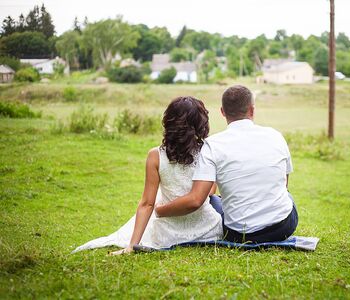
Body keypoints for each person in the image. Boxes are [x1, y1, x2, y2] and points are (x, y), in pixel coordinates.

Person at [72, 97, 222, 254]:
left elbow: (147, 204)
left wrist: (132, 245)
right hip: (208, 232)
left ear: (169, 122)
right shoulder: (209, 150)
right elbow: (209, 191)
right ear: (201, 123)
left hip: (168, 236)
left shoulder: (155, 155)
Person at [156, 85, 298, 243]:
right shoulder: (276, 136)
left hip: (238, 234)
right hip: (282, 227)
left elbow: (196, 200)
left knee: (214, 201)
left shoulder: (212, 145)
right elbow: (284, 184)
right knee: (287, 196)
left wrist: (159, 210)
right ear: (252, 110)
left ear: (222, 112)